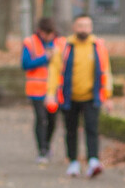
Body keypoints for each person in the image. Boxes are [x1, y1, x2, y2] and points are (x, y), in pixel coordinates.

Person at [52, 14, 112, 177]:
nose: (83, 29)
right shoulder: (65, 46)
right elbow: (54, 70)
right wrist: (50, 94)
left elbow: (106, 72)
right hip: (69, 98)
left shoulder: (98, 46)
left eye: (86, 26)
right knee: (70, 130)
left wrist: (107, 97)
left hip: (92, 96)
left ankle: (93, 160)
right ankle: (73, 162)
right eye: (80, 25)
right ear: (74, 27)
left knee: (92, 129)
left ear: (91, 28)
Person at [20, 17, 64, 165]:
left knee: (52, 120)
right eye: (46, 34)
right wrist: (45, 58)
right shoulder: (30, 42)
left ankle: (47, 144)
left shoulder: (61, 42)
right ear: (40, 31)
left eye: (50, 34)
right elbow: (25, 64)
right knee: (41, 119)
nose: (48, 37)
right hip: (36, 90)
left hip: (55, 90)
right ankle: (42, 149)